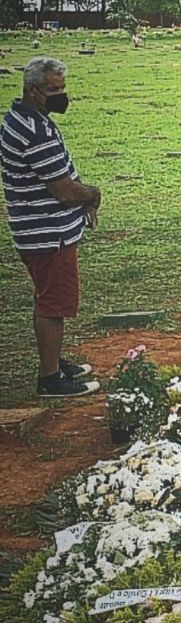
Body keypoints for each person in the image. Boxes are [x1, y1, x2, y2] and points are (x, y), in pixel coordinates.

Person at [1, 59, 102, 396]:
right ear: (33, 90)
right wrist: (92, 194)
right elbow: (62, 189)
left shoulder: (21, 118)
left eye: (62, 87)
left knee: (47, 298)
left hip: (35, 228)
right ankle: (50, 379)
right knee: (53, 304)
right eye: (54, 90)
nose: (61, 95)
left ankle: (55, 363)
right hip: (48, 232)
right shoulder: (35, 130)